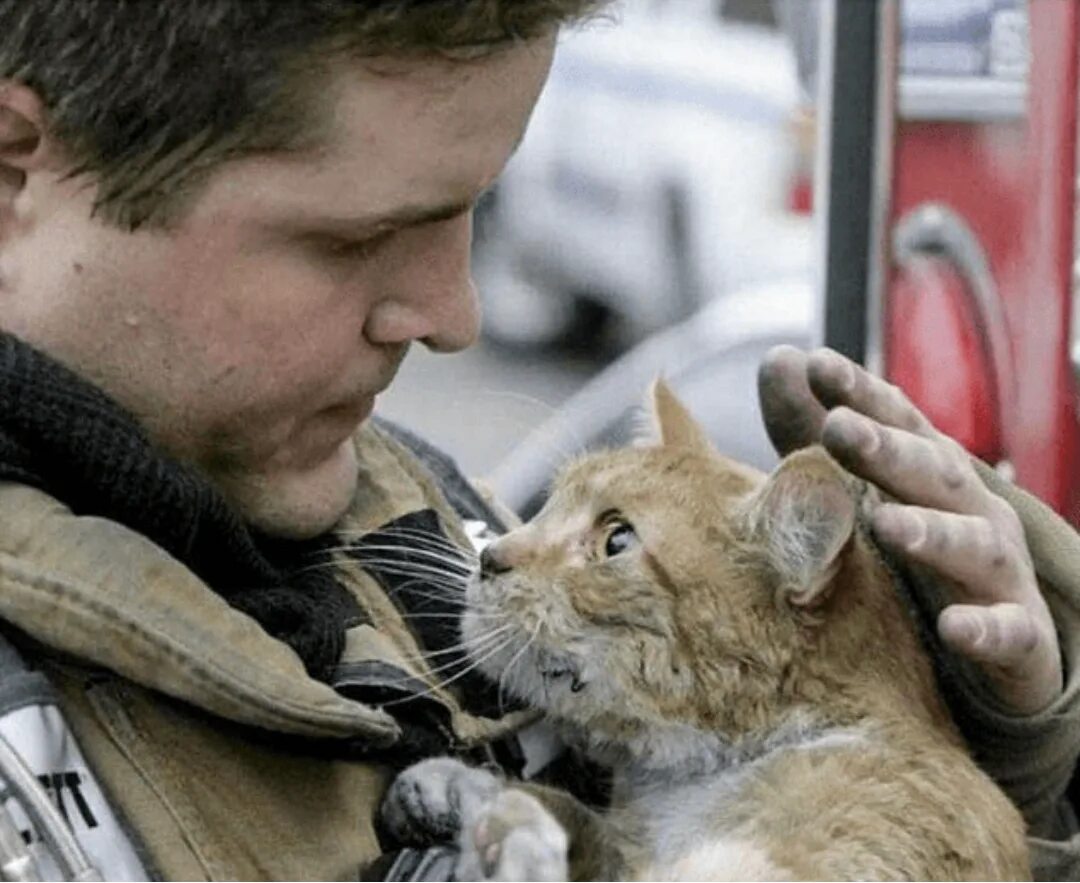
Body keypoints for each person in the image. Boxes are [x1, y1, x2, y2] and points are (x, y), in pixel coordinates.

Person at [0, 1, 1075, 880]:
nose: (456, 313)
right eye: (356, 236)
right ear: (14, 176)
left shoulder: (408, 495)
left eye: (474, 207)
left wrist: (971, 772)